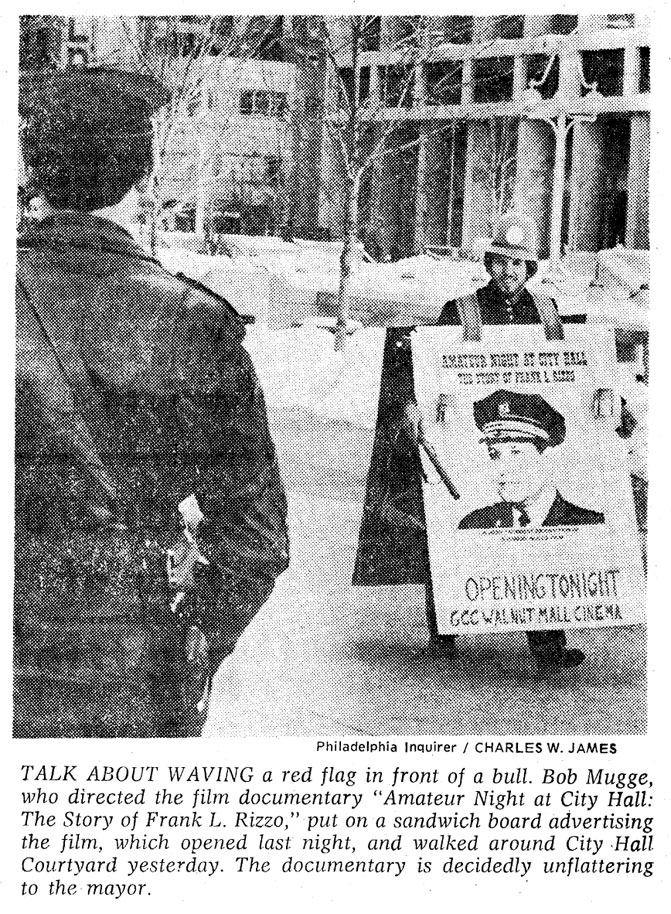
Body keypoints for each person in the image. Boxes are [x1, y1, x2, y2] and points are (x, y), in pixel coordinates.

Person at [15, 67, 289, 737]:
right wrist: (193, 648)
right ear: (143, 178)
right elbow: (255, 541)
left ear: (36, 173)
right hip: (132, 669)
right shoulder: (195, 320)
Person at [354, 212, 586, 670]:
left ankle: (546, 640)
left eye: (518, 265)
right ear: (488, 263)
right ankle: (448, 624)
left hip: (525, 440)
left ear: (530, 269)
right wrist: (422, 402)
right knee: (453, 525)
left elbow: (569, 375)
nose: (508, 273)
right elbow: (431, 365)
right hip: (467, 434)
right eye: (500, 262)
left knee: (538, 544)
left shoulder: (547, 312)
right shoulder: (460, 309)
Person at [458, 390, 605, 529]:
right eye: (494, 454)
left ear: (547, 459)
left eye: (516, 452)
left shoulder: (588, 524)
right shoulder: (475, 524)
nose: (502, 468)